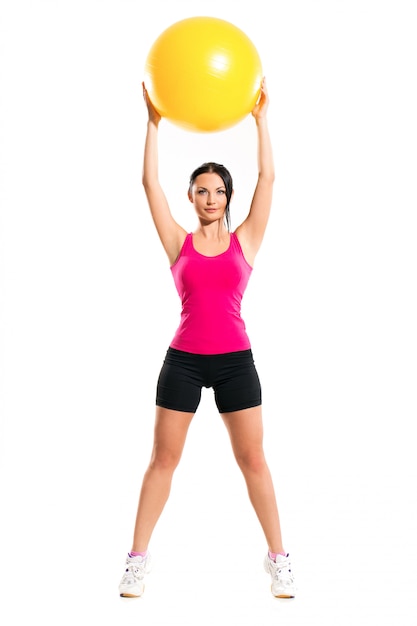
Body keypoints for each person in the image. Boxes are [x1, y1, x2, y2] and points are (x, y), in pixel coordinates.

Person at [118, 78, 296, 599]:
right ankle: (136, 561)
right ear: (192, 197)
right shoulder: (179, 242)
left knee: (254, 461)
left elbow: (269, 178)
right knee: (162, 460)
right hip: (184, 361)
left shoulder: (247, 240)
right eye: (202, 189)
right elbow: (148, 184)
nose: (211, 197)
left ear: (228, 198)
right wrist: (153, 123)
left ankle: (280, 559)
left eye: (219, 190)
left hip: (237, 362)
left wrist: (262, 120)